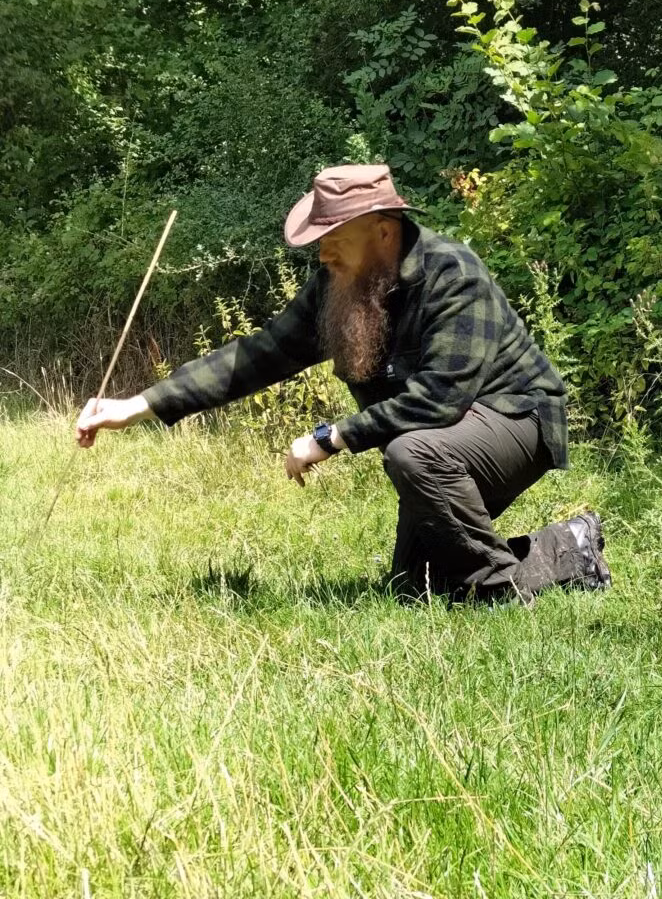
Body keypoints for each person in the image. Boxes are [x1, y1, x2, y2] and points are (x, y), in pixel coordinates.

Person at [76, 164, 610, 603]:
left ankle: (502, 590)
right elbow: (259, 355)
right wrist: (139, 405)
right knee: (416, 587)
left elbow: (440, 401)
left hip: (516, 418)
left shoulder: (452, 274)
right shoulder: (339, 281)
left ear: (383, 229)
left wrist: (329, 437)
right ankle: (571, 547)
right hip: (447, 435)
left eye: (333, 239)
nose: (322, 253)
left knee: (412, 454)